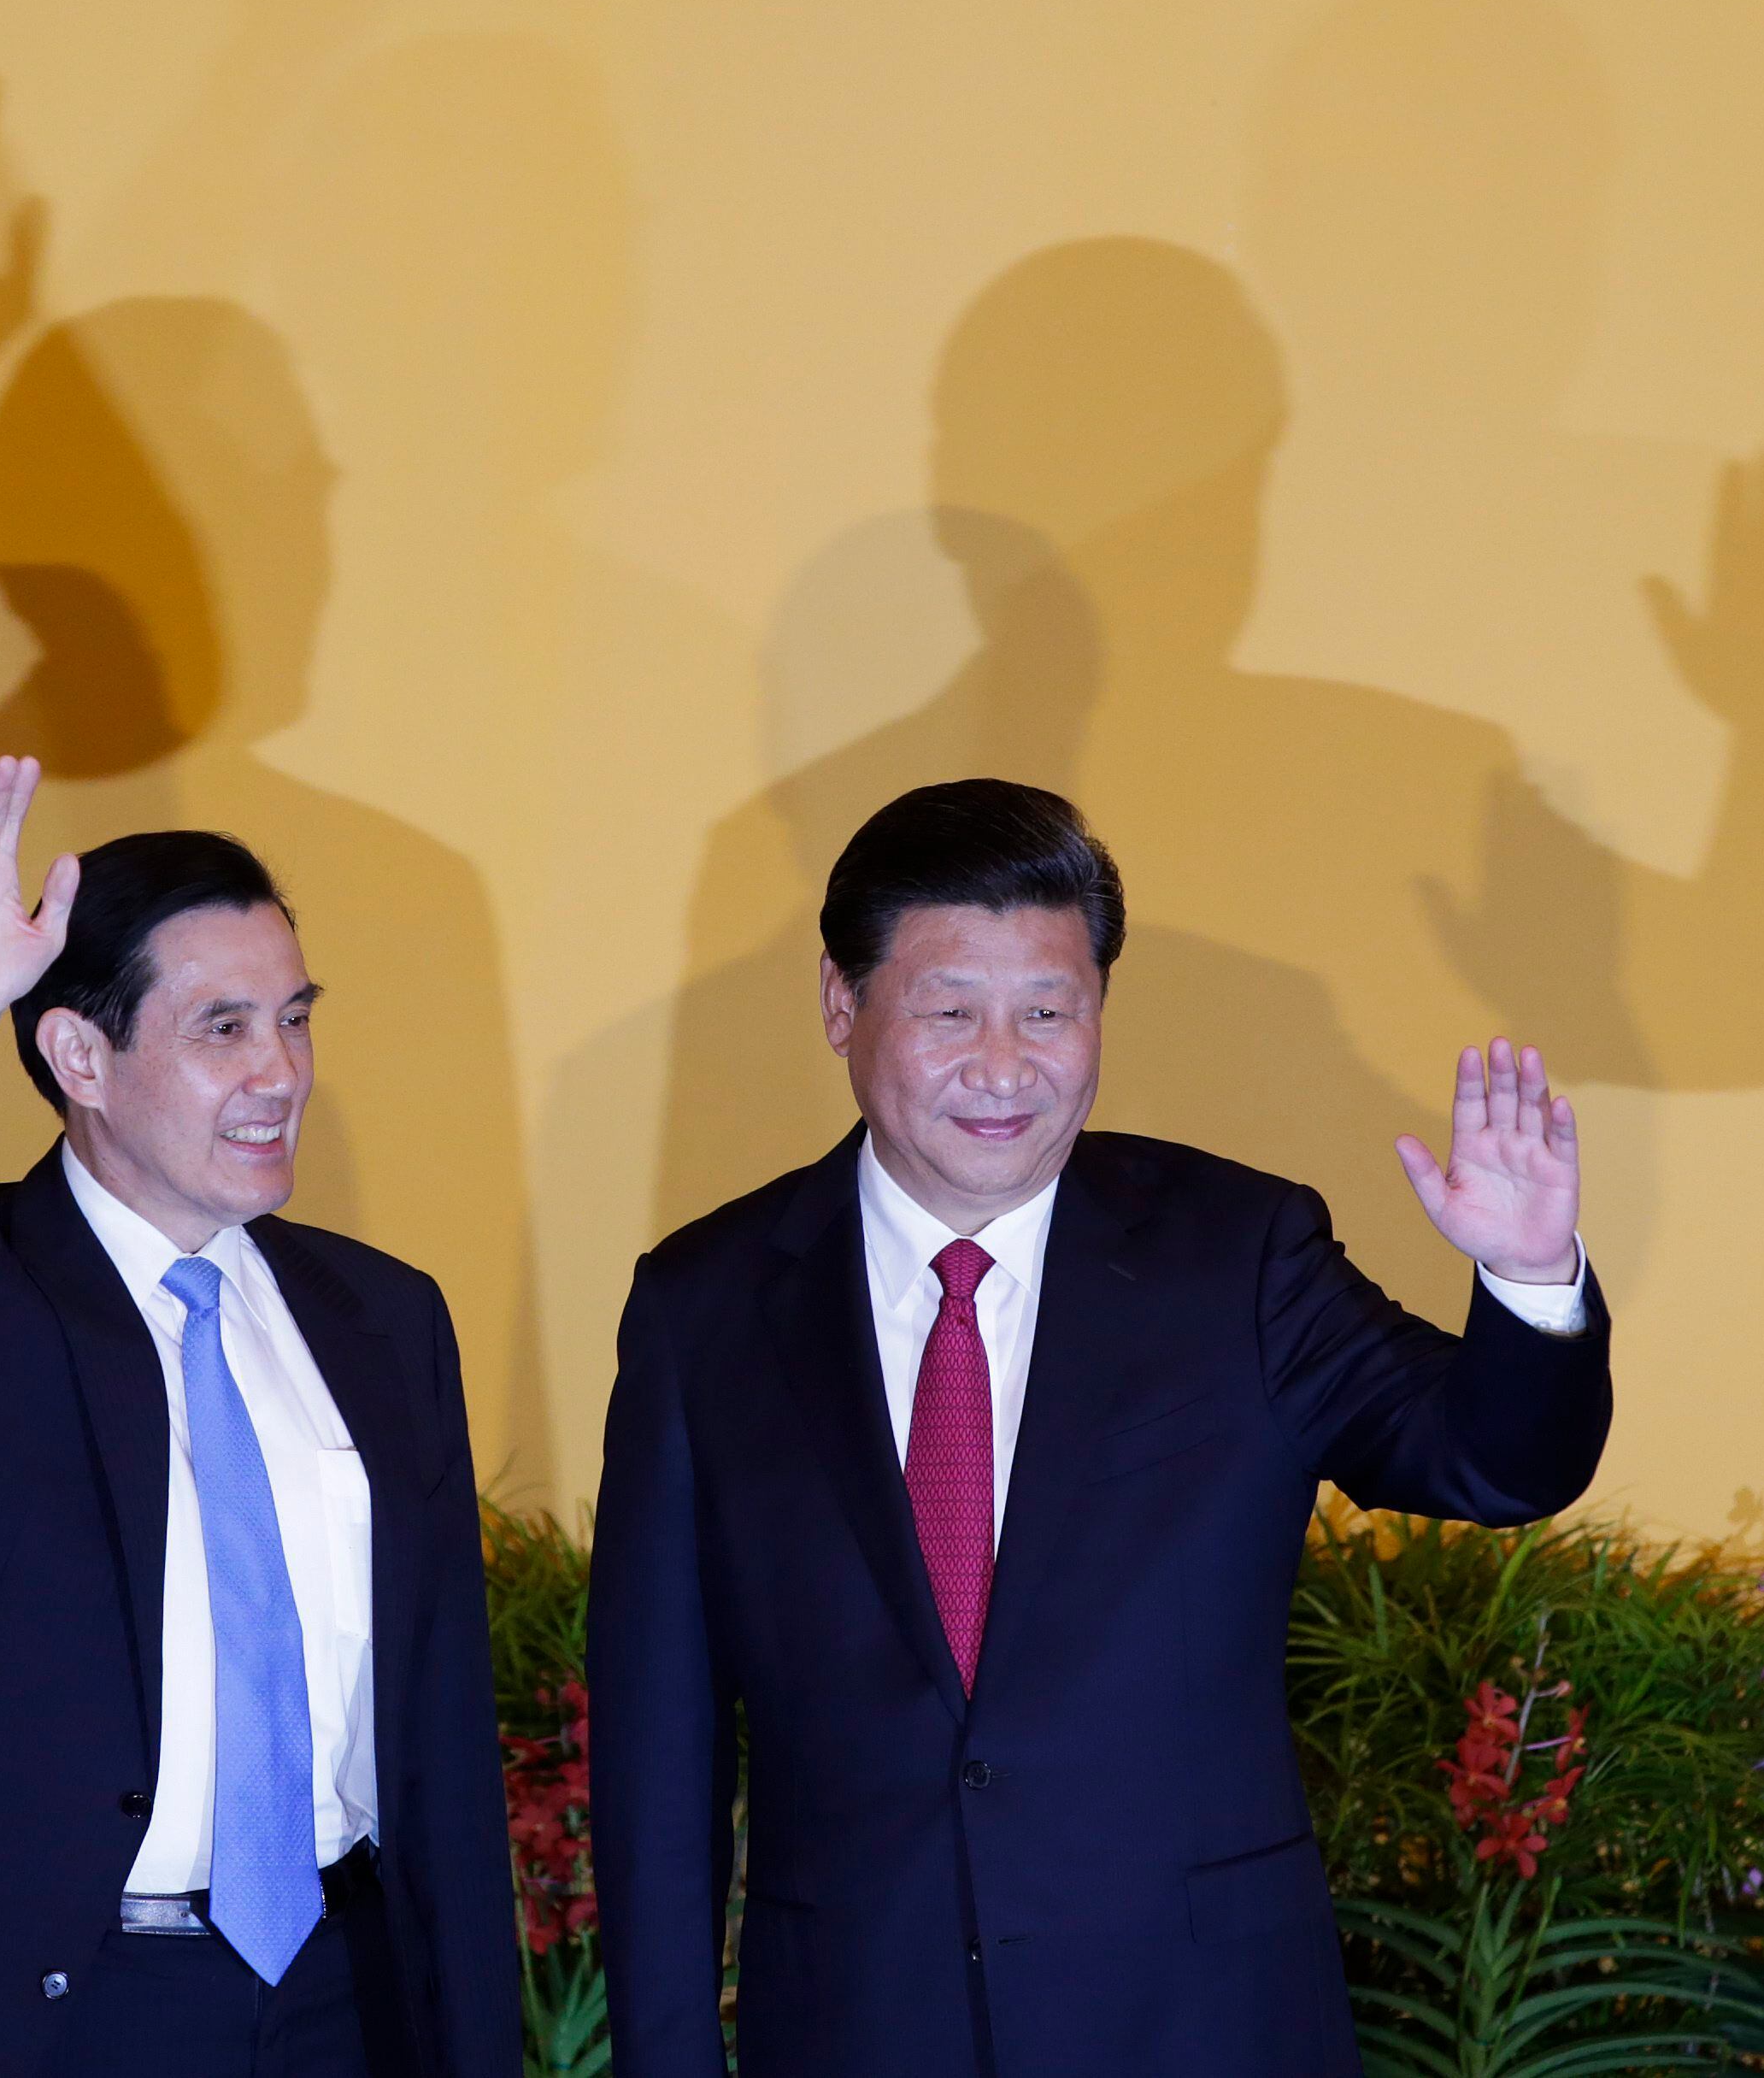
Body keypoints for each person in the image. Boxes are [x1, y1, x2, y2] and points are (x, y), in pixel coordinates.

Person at [589, 779, 1614, 2078]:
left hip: (1201, 2029)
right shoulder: (706, 1305)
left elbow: (1495, 1458)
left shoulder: (1238, 1254)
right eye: (951, 1011)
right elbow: (656, 1756)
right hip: (855, 2030)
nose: (1005, 1067)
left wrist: (1529, 1282)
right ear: (843, 1006)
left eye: (1050, 1010)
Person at [0, 757, 517, 2078]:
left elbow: (439, 1715)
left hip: (351, 1992)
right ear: (79, 1054)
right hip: (67, 2010)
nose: (281, 1073)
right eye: (222, 1029)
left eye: (296, 1018)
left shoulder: (383, 1318)